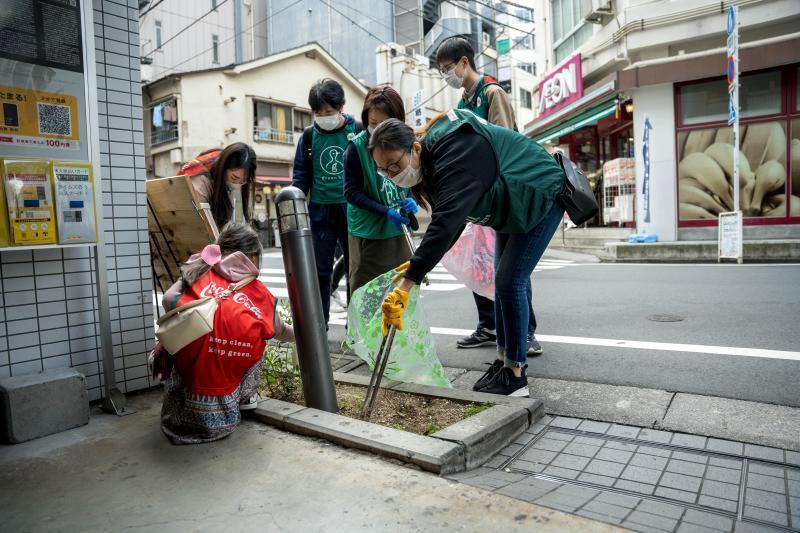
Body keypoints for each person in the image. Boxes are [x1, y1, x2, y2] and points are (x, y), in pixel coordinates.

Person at [370, 110, 564, 397]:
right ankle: (503, 361)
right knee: (501, 282)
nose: (392, 174)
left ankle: (515, 373)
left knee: (511, 281)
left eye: (394, 164)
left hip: (539, 193)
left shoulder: (454, 148)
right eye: (384, 171)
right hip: (511, 207)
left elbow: (446, 222)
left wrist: (409, 281)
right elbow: (452, 221)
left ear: (415, 148)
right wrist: (416, 267)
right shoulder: (433, 165)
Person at [436, 36, 541, 357]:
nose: (445, 76)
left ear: (464, 63)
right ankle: (488, 325)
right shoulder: (463, 104)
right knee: (479, 264)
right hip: (480, 195)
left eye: (447, 69)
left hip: (505, 194)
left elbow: (504, 143)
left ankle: (527, 332)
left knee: (512, 267)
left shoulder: (493, 94)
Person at [159, 223, 294, 444]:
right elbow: (279, 331)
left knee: (180, 335)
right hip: (224, 423)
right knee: (260, 337)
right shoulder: (259, 293)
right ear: (252, 255)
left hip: (176, 421)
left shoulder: (199, 272)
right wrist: (304, 334)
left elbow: (167, 301)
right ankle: (245, 399)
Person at [292, 79, 362, 325]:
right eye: (318, 113)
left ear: (341, 106)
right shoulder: (310, 136)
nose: (324, 117)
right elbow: (300, 176)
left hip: (352, 209)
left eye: (329, 112)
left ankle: (355, 326)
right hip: (320, 211)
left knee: (356, 269)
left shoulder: (358, 131)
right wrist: (296, 207)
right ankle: (319, 324)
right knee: (320, 270)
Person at [344, 85, 417, 293]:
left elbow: (413, 175)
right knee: (367, 296)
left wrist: (411, 197)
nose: (377, 129)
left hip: (399, 231)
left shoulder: (405, 142)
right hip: (368, 234)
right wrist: (385, 211)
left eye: (385, 123)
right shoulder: (356, 148)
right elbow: (351, 192)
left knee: (400, 293)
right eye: (373, 123)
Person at [182, 142, 257, 230]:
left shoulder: (236, 184)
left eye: (242, 182)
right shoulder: (201, 181)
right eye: (234, 178)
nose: (237, 186)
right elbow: (197, 225)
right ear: (223, 167)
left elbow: (238, 221)